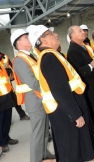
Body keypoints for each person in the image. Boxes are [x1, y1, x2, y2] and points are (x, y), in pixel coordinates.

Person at [29, 25, 94, 162]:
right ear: (43, 40)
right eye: (50, 34)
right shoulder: (49, 58)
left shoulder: (52, 55)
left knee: (74, 149)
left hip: (64, 109)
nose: (55, 35)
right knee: (72, 150)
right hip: (64, 112)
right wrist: (75, 114)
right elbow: (59, 90)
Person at [11, 29, 54, 162]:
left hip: (41, 98)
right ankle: (36, 159)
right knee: (38, 132)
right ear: (19, 43)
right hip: (35, 100)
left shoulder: (31, 55)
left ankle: (44, 154)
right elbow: (32, 82)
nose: (28, 38)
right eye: (25, 37)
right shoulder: (19, 60)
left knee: (45, 130)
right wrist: (51, 89)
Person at [67, 26, 94, 148]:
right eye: (80, 31)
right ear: (72, 36)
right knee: (90, 117)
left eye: (83, 30)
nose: (83, 32)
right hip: (87, 89)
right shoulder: (73, 51)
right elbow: (77, 72)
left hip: (93, 86)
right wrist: (91, 65)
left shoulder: (82, 47)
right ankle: (91, 145)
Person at [0, 52, 30, 120]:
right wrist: (7, 78)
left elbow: (11, 66)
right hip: (2, 88)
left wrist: (12, 75)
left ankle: (22, 115)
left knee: (14, 100)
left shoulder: (4, 56)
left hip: (7, 85)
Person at [0, 53, 18, 156]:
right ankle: (1, 142)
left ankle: (6, 138)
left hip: (7, 94)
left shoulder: (3, 57)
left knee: (7, 119)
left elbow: (9, 70)